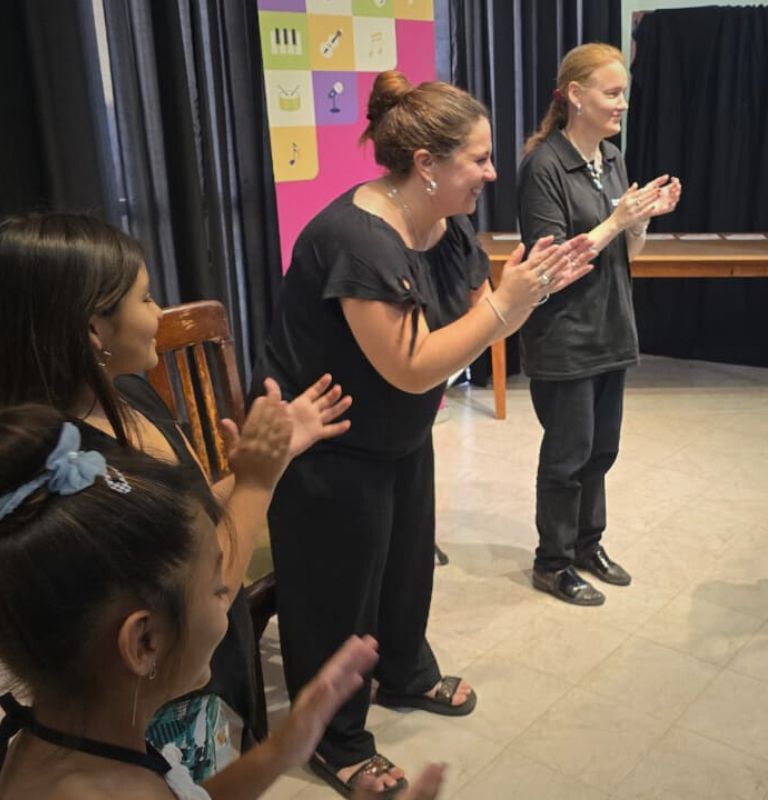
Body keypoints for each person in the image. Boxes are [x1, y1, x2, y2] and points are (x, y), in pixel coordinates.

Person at [256, 70, 594, 795]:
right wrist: (507, 305)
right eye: (479, 158)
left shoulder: (448, 225)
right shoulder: (358, 240)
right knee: (336, 599)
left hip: (396, 435)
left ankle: (404, 672)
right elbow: (411, 367)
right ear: (425, 164)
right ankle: (335, 740)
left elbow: (479, 319)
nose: (493, 172)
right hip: (326, 447)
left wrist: (532, 292)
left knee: (406, 571)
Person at [0, 212, 351, 781]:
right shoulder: (68, 469)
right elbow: (203, 571)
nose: (160, 313)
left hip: (205, 657)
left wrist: (271, 458)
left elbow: (193, 516)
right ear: (94, 330)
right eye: (145, 298)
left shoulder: (131, 395)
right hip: (157, 706)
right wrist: (258, 482)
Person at [0, 405, 445, 799]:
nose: (227, 598)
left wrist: (283, 747)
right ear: (145, 641)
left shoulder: (63, 742)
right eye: (218, 589)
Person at [517, 42, 681, 605]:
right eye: (612, 93)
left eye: (623, 94)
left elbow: (627, 253)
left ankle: (588, 545)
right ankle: (552, 562)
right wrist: (617, 218)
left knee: (601, 451)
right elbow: (553, 265)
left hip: (611, 327)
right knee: (568, 456)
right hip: (565, 336)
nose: (622, 105)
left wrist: (641, 220)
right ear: (575, 95)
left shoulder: (611, 158)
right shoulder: (543, 167)